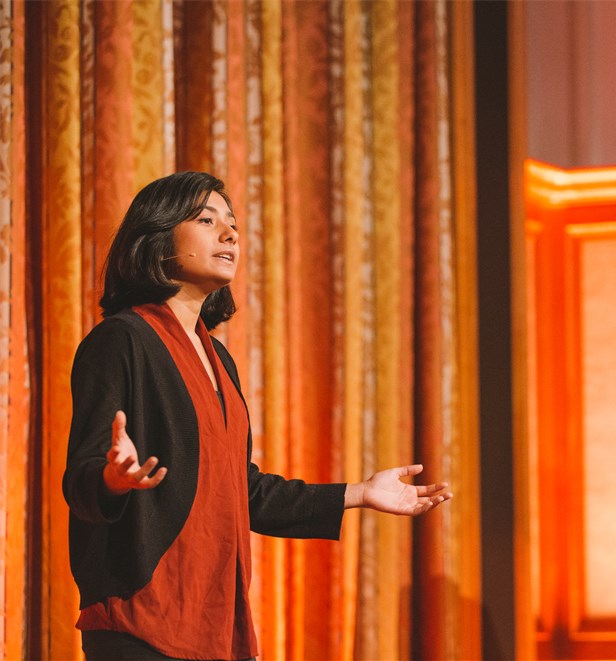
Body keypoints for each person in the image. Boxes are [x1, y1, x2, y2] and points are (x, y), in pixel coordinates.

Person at [62, 171, 452, 660]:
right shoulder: (121, 339)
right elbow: (81, 479)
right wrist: (112, 478)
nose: (229, 235)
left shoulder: (218, 359)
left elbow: (244, 491)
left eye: (233, 225)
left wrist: (360, 493)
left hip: (214, 618)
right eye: (207, 220)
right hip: (139, 616)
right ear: (159, 239)